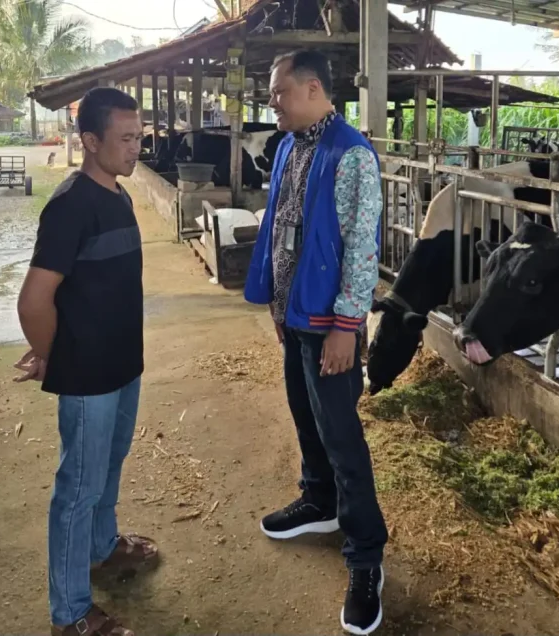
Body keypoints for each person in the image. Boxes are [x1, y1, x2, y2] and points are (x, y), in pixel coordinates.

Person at [244, 50, 388, 636]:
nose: (271, 101)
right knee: (305, 416)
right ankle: (319, 500)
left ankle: (366, 557)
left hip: (331, 324)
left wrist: (347, 326)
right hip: (295, 313)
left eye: (278, 91)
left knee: (342, 437)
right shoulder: (288, 146)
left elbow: (361, 248)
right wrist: (276, 301)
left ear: (311, 89)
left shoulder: (351, 155)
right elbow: (280, 224)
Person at [15, 87, 158, 636]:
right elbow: (34, 300)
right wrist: (52, 355)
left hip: (123, 365)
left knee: (110, 464)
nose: (136, 148)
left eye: (139, 136)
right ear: (91, 141)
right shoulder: (70, 205)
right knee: (78, 488)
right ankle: (70, 613)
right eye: (125, 139)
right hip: (88, 376)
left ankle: (102, 547)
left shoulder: (118, 196)